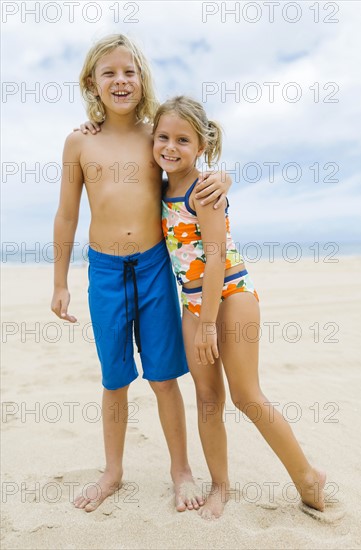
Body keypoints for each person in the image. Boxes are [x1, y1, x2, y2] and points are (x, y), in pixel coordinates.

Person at [51, 34, 231, 513]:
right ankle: (113, 471)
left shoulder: (156, 135)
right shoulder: (78, 141)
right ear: (92, 82)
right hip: (105, 272)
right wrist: (59, 282)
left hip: (154, 267)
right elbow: (67, 215)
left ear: (142, 78)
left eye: (128, 71)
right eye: (108, 72)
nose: (120, 80)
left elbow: (189, 161)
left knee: (164, 377)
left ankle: (181, 470)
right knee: (114, 380)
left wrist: (224, 175)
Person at [152, 95, 327, 520]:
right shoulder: (159, 188)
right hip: (194, 307)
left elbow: (214, 257)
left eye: (183, 140)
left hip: (230, 299)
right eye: (163, 137)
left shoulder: (205, 190)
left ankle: (307, 477)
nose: (171, 147)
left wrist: (210, 323)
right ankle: (220, 485)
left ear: (202, 147)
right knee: (208, 398)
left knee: (247, 395)